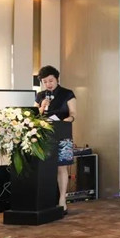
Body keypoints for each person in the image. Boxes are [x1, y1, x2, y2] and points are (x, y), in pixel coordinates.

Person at [34, 65, 77, 214]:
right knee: (44, 168)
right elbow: (33, 116)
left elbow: (73, 114)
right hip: (44, 135)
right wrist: (42, 107)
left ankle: (62, 199)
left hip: (62, 133)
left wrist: (66, 120)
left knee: (61, 167)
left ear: (57, 79)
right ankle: (46, 200)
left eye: (50, 80)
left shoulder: (67, 93)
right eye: (45, 82)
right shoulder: (40, 96)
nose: (48, 84)